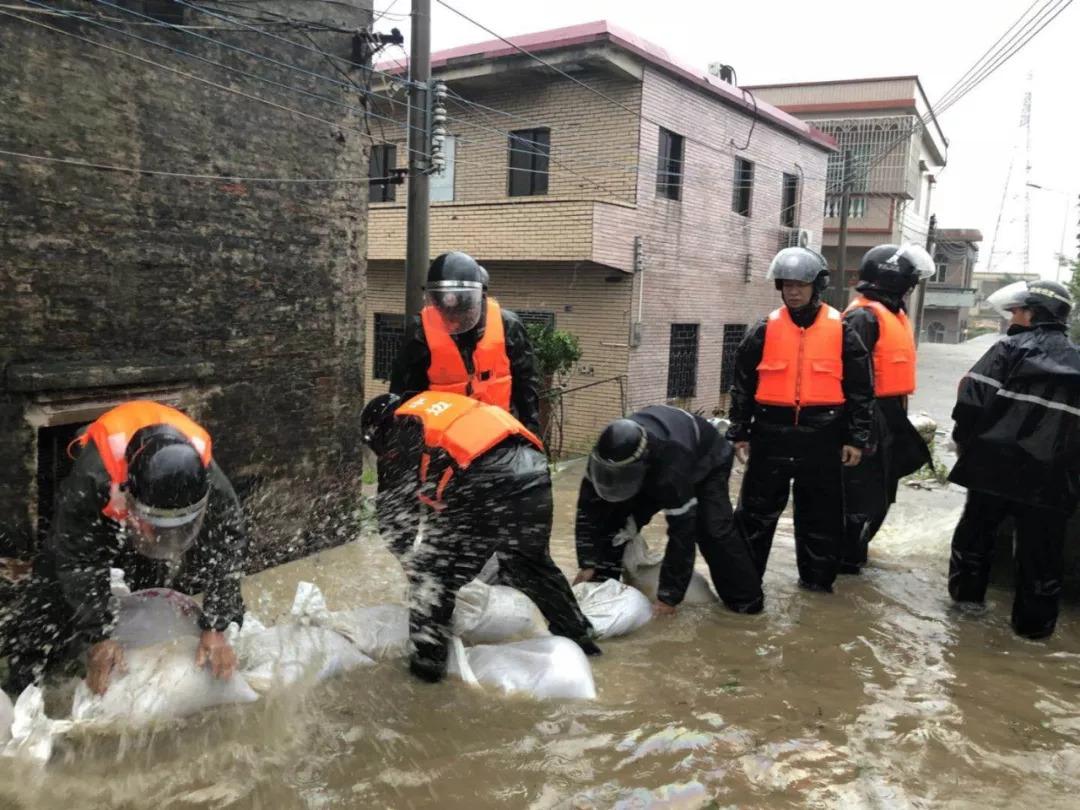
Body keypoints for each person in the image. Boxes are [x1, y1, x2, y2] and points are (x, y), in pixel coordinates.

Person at [2, 401, 246, 696]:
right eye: (152, 526)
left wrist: (217, 625)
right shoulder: (93, 476)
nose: (156, 536)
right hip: (104, 500)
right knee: (52, 583)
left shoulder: (208, 479)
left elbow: (228, 542)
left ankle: (140, 667)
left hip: (145, 501)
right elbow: (78, 559)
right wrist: (98, 635)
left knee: (151, 581)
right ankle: (24, 680)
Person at [361, 390, 598, 684]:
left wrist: (411, 565)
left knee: (432, 580)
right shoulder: (433, 407)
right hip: (533, 472)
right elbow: (443, 490)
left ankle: (426, 674)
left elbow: (394, 514)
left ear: (378, 433)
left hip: (483, 481)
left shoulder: (399, 428)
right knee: (529, 565)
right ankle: (584, 641)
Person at [727, 247, 874, 592]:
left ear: (817, 285)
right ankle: (746, 589)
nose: (793, 291)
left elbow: (861, 389)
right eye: (787, 285)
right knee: (755, 515)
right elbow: (742, 385)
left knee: (821, 517)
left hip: (822, 434)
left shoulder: (842, 330)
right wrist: (740, 431)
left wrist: (856, 437)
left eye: (801, 285)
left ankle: (817, 586)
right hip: (770, 432)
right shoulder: (764, 329)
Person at [948, 279, 1080, 639]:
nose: (1012, 316)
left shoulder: (1007, 349)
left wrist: (966, 447)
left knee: (975, 540)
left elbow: (970, 403)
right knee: (1042, 557)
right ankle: (1033, 633)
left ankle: (965, 614)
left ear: (1033, 313)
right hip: (1052, 480)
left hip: (993, 469)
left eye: (1018, 310)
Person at [574, 406, 764, 615]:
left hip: (706, 460)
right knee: (616, 524)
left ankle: (746, 604)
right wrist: (588, 561)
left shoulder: (672, 467)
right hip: (649, 465)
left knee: (712, 530)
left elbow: (683, 534)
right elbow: (588, 511)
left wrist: (668, 597)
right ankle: (603, 589)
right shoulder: (601, 460)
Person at [839, 244, 935, 572]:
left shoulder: (893, 313)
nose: (911, 287)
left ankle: (857, 555)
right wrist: (857, 433)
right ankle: (847, 564)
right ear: (891, 280)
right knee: (860, 497)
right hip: (868, 414)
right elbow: (852, 380)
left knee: (882, 493)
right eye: (908, 282)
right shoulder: (863, 316)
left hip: (890, 412)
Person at [390, 251, 542, 434]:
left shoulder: (507, 325)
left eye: (463, 310)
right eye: (446, 311)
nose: (454, 318)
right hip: (443, 440)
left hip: (497, 434)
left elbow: (526, 383)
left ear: (480, 298)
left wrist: (531, 432)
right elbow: (405, 393)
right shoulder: (420, 332)